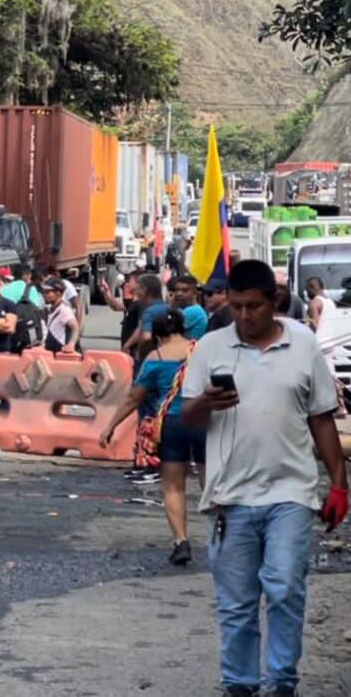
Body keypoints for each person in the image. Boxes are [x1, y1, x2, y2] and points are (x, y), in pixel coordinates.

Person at [181, 259, 347, 697]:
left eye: (253, 306)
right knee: (236, 604)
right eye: (235, 307)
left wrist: (339, 484)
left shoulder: (303, 343)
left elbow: (322, 419)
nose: (244, 316)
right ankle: (239, 684)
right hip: (230, 496)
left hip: (291, 491)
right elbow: (187, 419)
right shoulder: (211, 348)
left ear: (273, 302)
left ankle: (281, 682)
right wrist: (206, 403)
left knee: (285, 587)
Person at [100, 308, 204, 563]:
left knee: (173, 487)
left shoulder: (155, 358)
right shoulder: (201, 351)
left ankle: (181, 541)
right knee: (209, 481)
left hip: (172, 423)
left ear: (157, 336)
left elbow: (134, 399)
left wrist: (110, 426)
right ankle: (226, 529)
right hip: (204, 420)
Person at [124, 274, 167, 361]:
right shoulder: (166, 308)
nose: (136, 292)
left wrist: (128, 345)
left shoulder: (149, 311)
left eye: (139, 288)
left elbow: (145, 336)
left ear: (145, 290)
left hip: (149, 358)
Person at [42, 278, 79, 353]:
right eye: (44, 292)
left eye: (48, 292)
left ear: (58, 293)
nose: (44, 295)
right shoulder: (51, 309)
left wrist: (71, 344)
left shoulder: (64, 310)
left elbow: (75, 327)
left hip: (60, 352)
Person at [173, 274, 209, 341]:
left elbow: (166, 329)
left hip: (191, 350)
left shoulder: (193, 311)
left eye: (185, 290)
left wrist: (170, 304)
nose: (179, 293)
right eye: (177, 290)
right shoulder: (183, 309)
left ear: (195, 293)